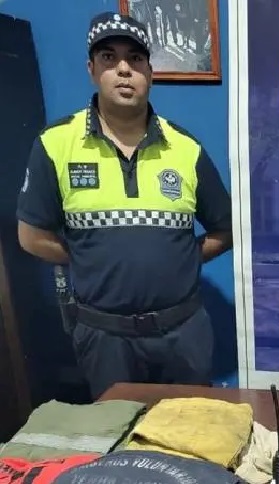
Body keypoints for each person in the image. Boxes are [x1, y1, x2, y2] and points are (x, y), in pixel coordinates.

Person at [16, 12, 233, 399]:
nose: (123, 70)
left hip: (182, 334)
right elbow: (30, 237)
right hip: (104, 339)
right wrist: (88, 257)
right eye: (109, 58)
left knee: (192, 432)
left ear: (149, 71)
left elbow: (228, 228)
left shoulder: (185, 148)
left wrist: (183, 259)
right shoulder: (55, 144)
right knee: (116, 434)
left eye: (134, 59)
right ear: (91, 69)